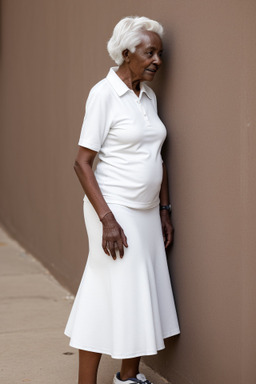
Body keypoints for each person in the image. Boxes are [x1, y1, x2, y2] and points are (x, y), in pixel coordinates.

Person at [65, 16, 180, 384]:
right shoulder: (103, 94)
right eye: (150, 53)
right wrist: (107, 220)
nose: (157, 61)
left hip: (145, 212)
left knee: (137, 294)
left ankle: (127, 378)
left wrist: (163, 210)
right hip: (112, 209)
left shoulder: (148, 96)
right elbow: (82, 162)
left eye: (159, 53)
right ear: (126, 52)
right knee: (104, 294)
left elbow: (156, 156)